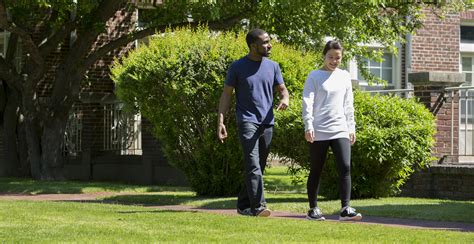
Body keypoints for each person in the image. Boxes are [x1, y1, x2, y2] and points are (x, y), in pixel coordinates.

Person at [217, 28, 289, 217]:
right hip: (247, 120)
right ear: (253, 46)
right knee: (253, 164)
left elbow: (283, 89)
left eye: (269, 41)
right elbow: (226, 95)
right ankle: (259, 206)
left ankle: (243, 203)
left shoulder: (273, 66)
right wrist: (221, 121)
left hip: (267, 122)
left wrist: (285, 99)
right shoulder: (237, 67)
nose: (269, 45)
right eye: (265, 42)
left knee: (259, 166)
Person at [301, 40, 362, 221]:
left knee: (345, 167)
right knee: (316, 169)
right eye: (330, 57)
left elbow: (348, 104)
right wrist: (308, 125)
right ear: (324, 56)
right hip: (319, 130)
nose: (334, 61)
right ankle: (313, 209)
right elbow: (307, 102)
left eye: (338, 58)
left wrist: (351, 127)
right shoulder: (314, 76)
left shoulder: (344, 76)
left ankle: (345, 209)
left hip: (340, 129)